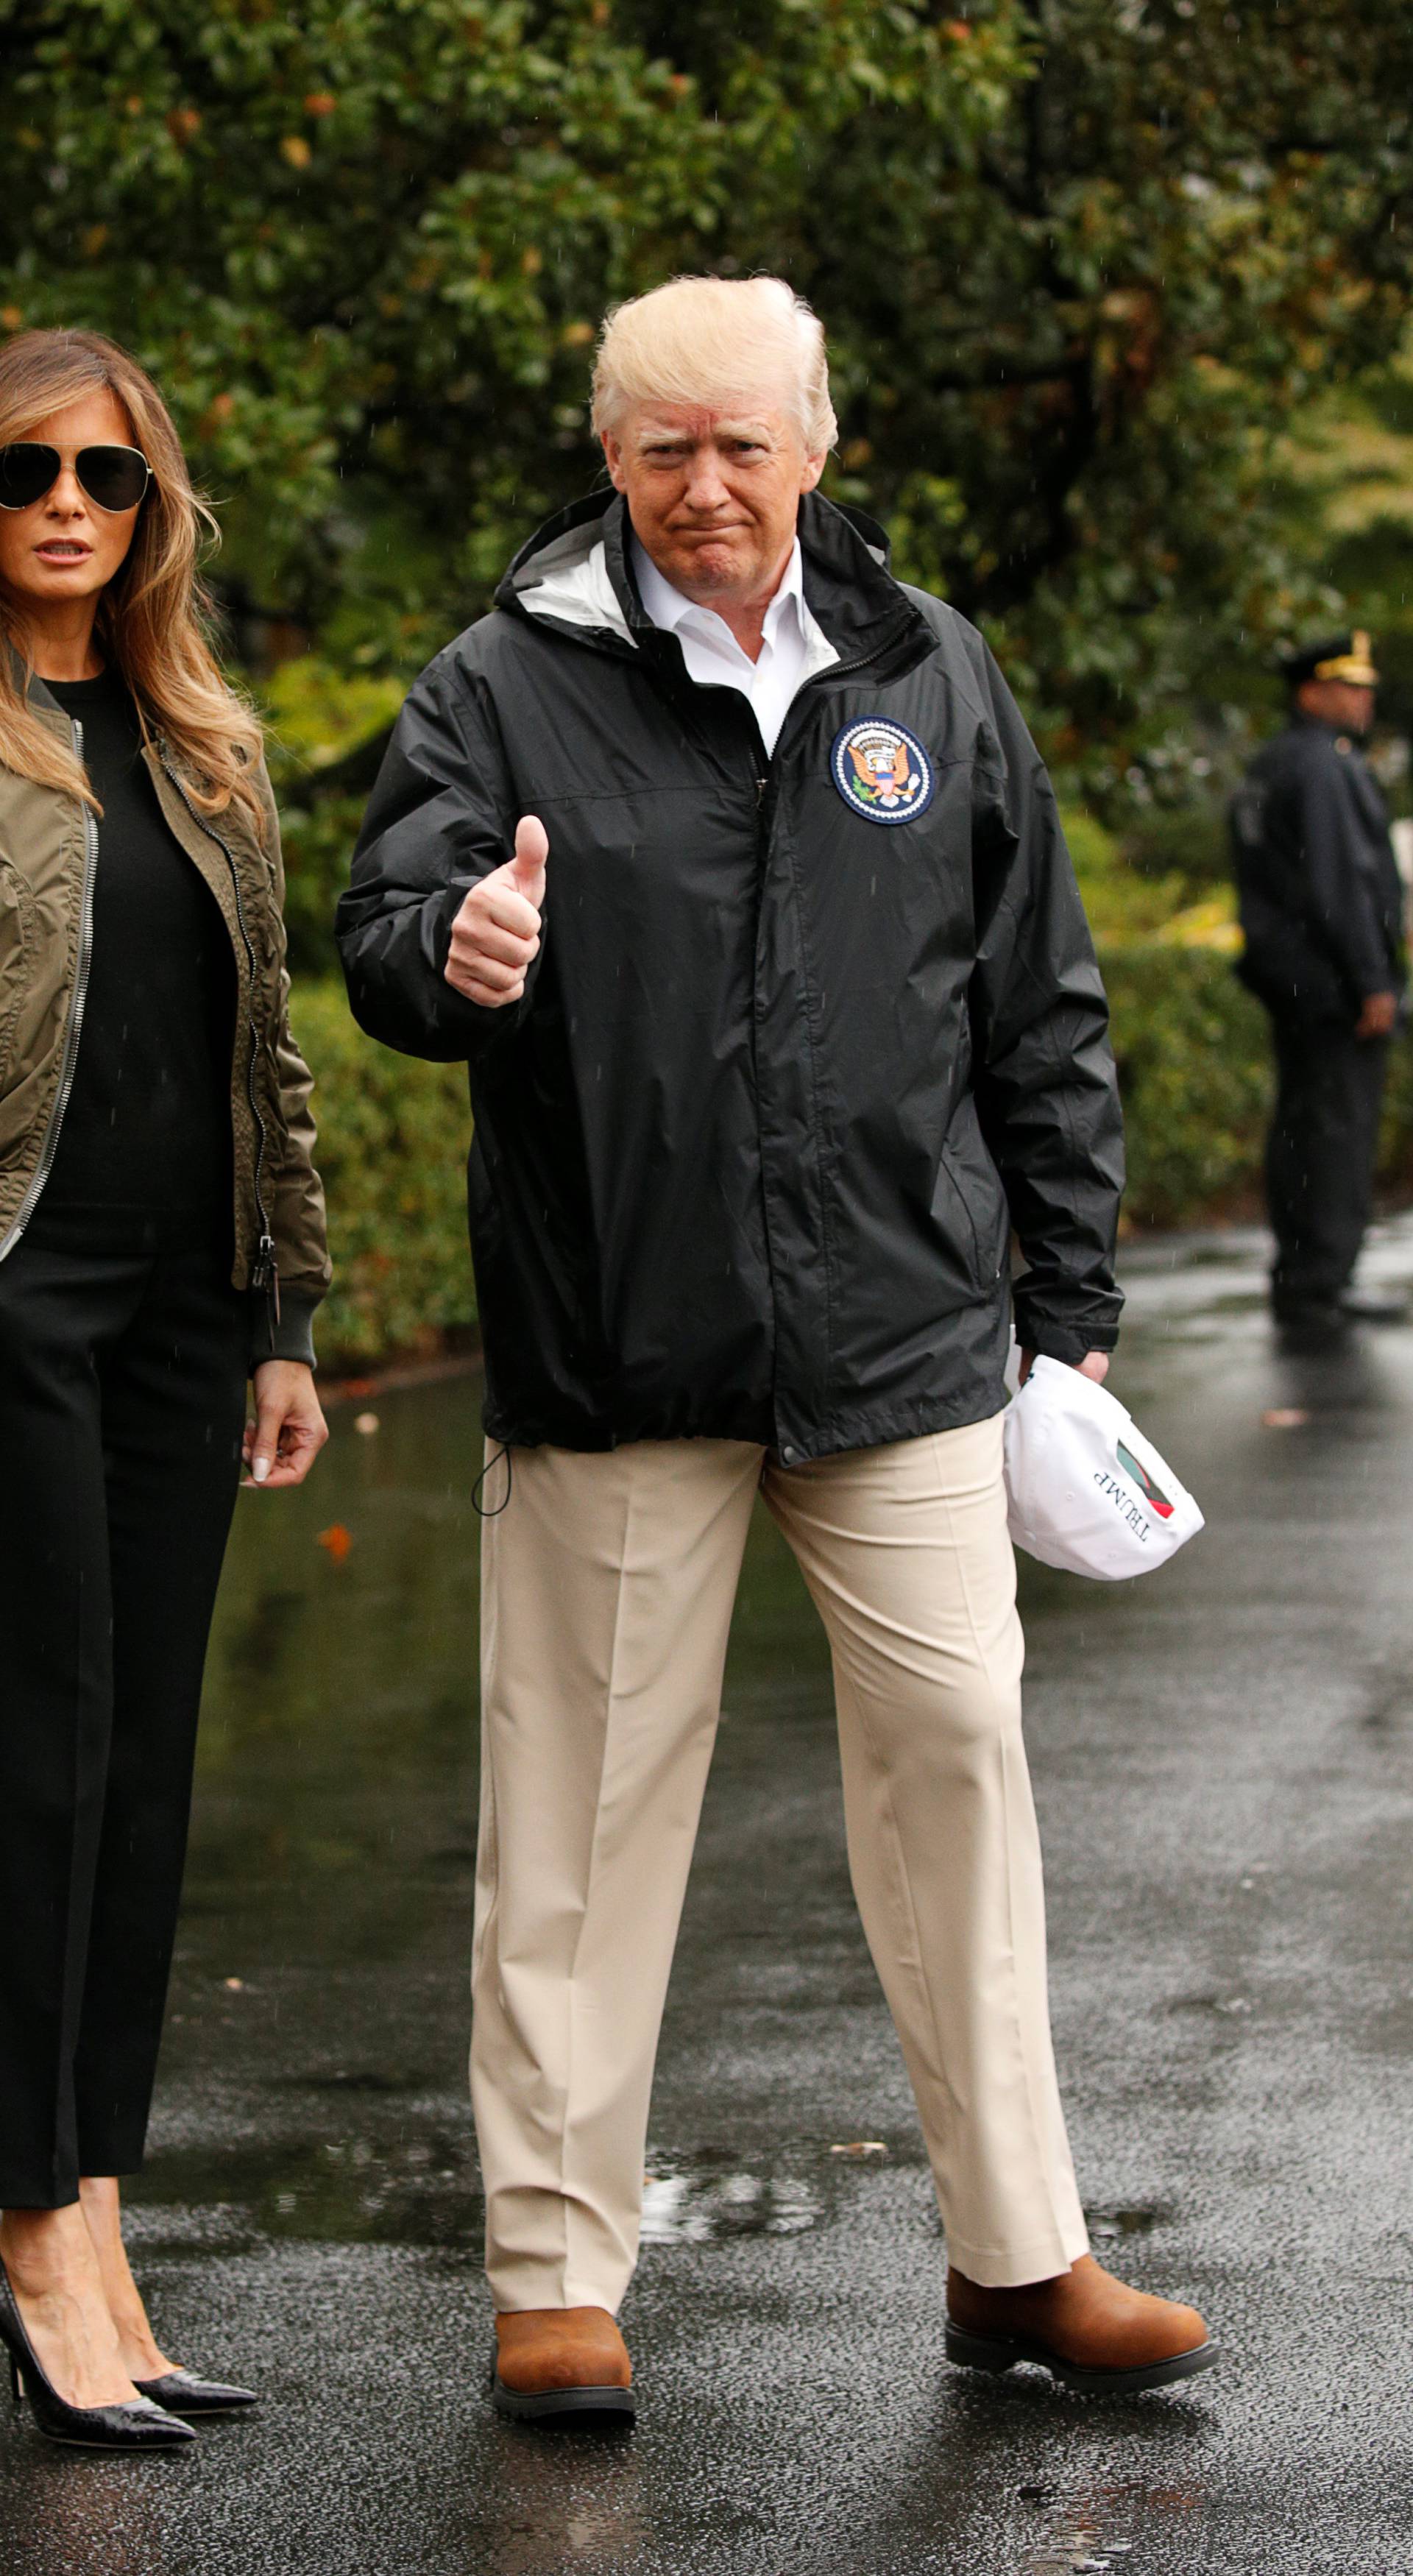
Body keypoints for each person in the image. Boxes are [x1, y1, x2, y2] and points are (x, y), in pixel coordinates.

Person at [338, 275, 1216, 2418]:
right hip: (619, 1345)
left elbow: (1039, 1001)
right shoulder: (504, 679)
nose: (704, 486)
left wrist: (1071, 1314)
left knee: (960, 1776)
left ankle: (1018, 2253)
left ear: (818, 442)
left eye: (742, 442)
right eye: (662, 447)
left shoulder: (929, 666)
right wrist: (453, 946)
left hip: (906, 1335)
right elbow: (383, 921)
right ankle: (555, 2268)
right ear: (609, 456)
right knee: (582, 1805)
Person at [0, 330, 331, 2452]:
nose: (64, 504)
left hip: (185, 1312)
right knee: (37, 1754)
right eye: (24, 467)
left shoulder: (203, 740)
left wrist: (291, 1308)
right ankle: (31, 2226)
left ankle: (97, 2205)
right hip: (15, 1295)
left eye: (108, 475)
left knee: (138, 1772)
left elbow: (267, 1050)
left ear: (155, 506)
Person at [1231, 631, 1407, 1334]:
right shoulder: (1323, 767)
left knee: (1306, 1125)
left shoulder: (1275, 763)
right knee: (1335, 1130)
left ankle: (1304, 1274)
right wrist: (1372, 980)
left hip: (1294, 979)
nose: (1364, 698)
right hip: (1331, 986)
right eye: (1350, 685)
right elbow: (1342, 884)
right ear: (1312, 690)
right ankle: (1321, 1280)